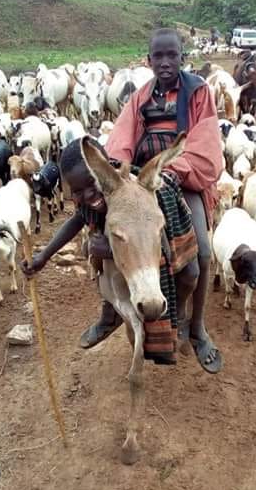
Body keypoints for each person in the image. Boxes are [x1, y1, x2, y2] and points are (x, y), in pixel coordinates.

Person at [23, 28, 224, 373]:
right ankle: (110, 312)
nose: (164, 62)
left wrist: (173, 171)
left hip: (180, 177)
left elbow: (204, 142)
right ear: (149, 60)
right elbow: (121, 140)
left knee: (202, 252)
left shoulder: (198, 93)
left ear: (181, 57)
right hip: (141, 180)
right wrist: (117, 175)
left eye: (171, 55)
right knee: (106, 235)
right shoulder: (140, 97)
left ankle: (197, 327)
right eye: (157, 56)